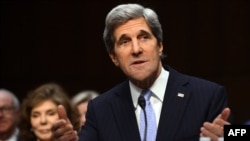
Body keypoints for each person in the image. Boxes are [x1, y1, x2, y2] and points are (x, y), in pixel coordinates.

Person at [51, 3, 231, 141]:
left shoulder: (207, 94)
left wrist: (230, 136)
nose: (136, 49)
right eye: (124, 42)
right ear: (114, 57)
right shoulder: (100, 108)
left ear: (160, 45)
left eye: (144, 37)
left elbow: (240, 132)